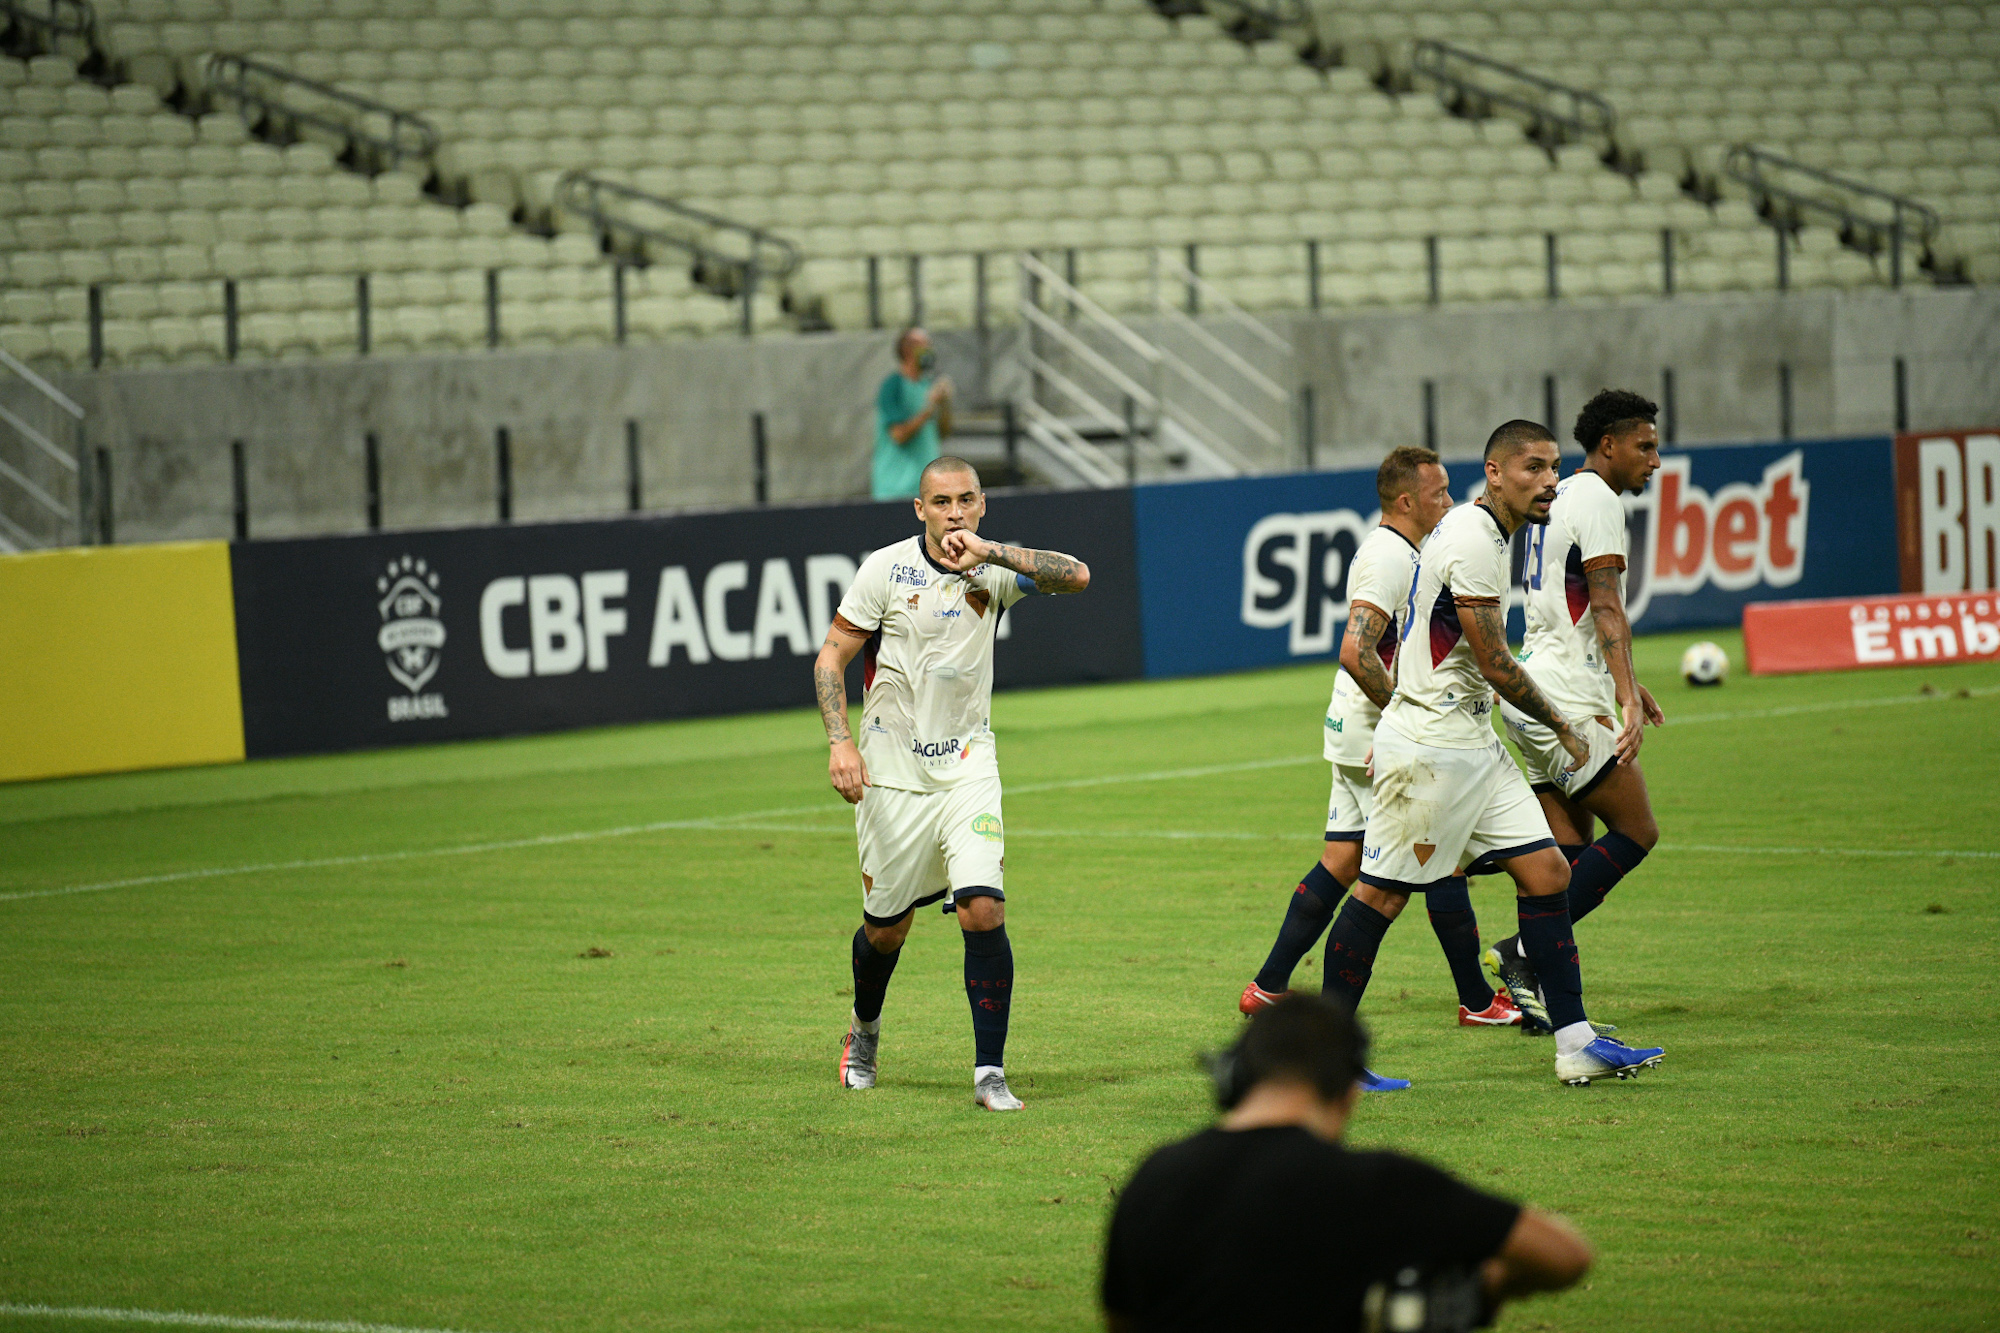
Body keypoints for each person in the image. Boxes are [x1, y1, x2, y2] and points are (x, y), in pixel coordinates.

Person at [1357, 420, 1664, 1086]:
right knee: (1380, 897)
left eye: (1554, 467)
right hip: (1433, 745)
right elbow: (1495, 660)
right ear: (1495, 473)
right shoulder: (1472, 539)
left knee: (1551, 873)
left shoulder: (1494, 534)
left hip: (1472, 740)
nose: (1549, 480)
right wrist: (1561, 723)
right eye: (1532, 467)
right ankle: (1321, 1059)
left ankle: (1576, 1041)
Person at [812, 455, 1090, 1110]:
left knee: (982, 907)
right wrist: (838, 740)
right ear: (920, 509)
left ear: (982, 504)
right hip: (892, 776)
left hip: (968, 765)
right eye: (941, 501)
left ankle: (989, 1071)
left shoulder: (994, 569)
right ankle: (865, 1029)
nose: (955, 512)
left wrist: (992, 552)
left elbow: (1077, 575)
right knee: (887, 929)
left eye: (967, 499)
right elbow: (833, 655)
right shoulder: (883, 570)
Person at [1239, 447, 1520, 1074]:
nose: (1449, 501)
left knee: (1342, 859)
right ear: (1406, 501)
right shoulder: (1390, 556)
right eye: (1439, 492)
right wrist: (1404, 721)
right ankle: (1475, 1000)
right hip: (1377, 731)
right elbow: (1354, 650)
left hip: (1359, 729)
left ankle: (1269, 986)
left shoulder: (1409, 551)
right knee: (1435, 867)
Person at [1101, 994, 1592, 1333]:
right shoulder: (1383, 1186)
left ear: (1235, 1080)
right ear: (1348, 1095)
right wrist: (1478, 1292)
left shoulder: (1154, 1175)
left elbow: (1122, 1321)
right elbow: (1567, 1256)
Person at [1486, 391, 1667, 1032]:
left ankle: (1538, 998)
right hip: (1566, 697)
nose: (1654, 458)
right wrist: (1623, 694)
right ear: (1608, 446)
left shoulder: (1563, 498)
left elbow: (1581, 614)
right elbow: (1606, 601)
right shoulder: (1595, 498)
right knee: (1636, 831)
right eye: (1644, 446)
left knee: (1564, 855)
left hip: (1532, 692)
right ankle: (1523, 955)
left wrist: (1628, 679)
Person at [872, 327, 953, 500]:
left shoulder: (927, 385)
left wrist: (944, 404)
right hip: (896, 490)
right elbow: (899, 435)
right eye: (925, 345)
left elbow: (943, 433)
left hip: (927, 491)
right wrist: (929, 408)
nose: (930, 351)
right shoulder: (893, 386)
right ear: (908, 350)